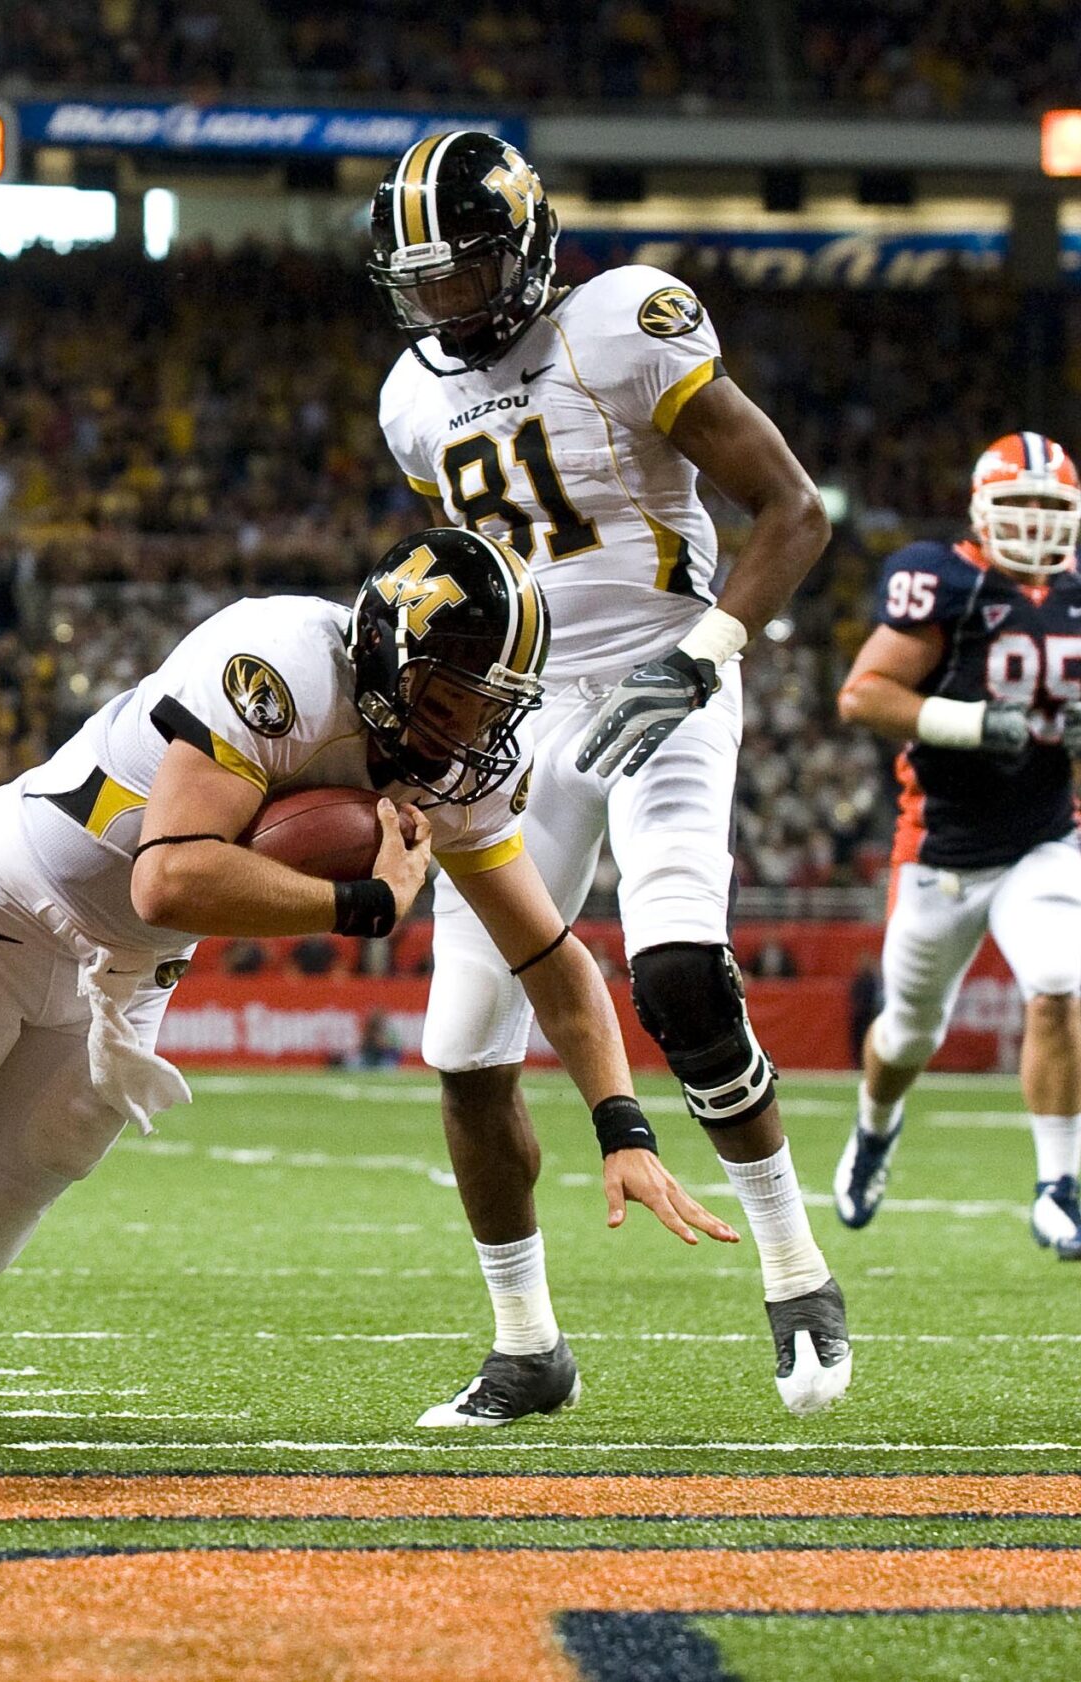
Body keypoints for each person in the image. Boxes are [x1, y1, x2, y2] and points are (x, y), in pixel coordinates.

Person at [0, 530, 732, 1417]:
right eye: (448, 700)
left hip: (123, 979)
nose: (461, 736)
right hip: (10, 893)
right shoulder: (276, 662)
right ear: (388, 654)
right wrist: (363, 901)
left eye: (489, 711)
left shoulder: (459, 771)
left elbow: (550, 954)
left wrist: (621, 1122)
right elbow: (167, 877)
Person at [368, 132, 847, 1417]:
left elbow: (793, 508)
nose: (442, 306)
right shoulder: (411, 396)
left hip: (660, 675)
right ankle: (526, 1343)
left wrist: (707, 650)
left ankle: (796, 1271)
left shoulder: (620, 321)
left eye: (462, 274)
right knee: (466, 1049)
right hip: (516, 718)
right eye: (420, 283)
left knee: (679, 970)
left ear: (523, 247)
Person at [832, 433, 1081, 1257]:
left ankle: (1058, 1185)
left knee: (1056, 983)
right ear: (982, 511)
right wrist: (977, 723)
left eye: (1053, 510)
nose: (1038, 527)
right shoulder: (948, 581)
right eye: (1021, 508)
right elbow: (864, 695)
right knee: (909, 1033)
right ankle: (876, 1126)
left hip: (1043, 839)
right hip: (942, 846)